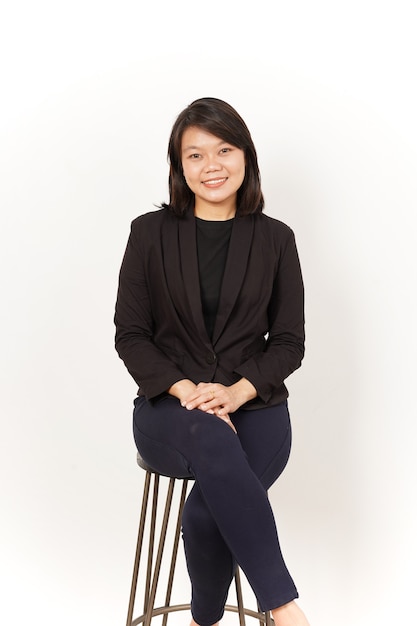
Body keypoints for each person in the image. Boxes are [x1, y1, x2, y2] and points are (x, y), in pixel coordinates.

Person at [114, 97, 310, 626]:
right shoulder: (149, 234)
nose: (212, 166)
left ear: (246, 156)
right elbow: (131, 336)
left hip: (258, 408)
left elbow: (289, 341)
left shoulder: (275, 239)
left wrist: (238, 392)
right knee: (208, 434)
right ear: (179, 166)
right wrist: (187, 390)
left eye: (223, 149)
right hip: (169, 409)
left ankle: (204, 615)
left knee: (207, 506)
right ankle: (285, 608)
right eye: (195, 155)